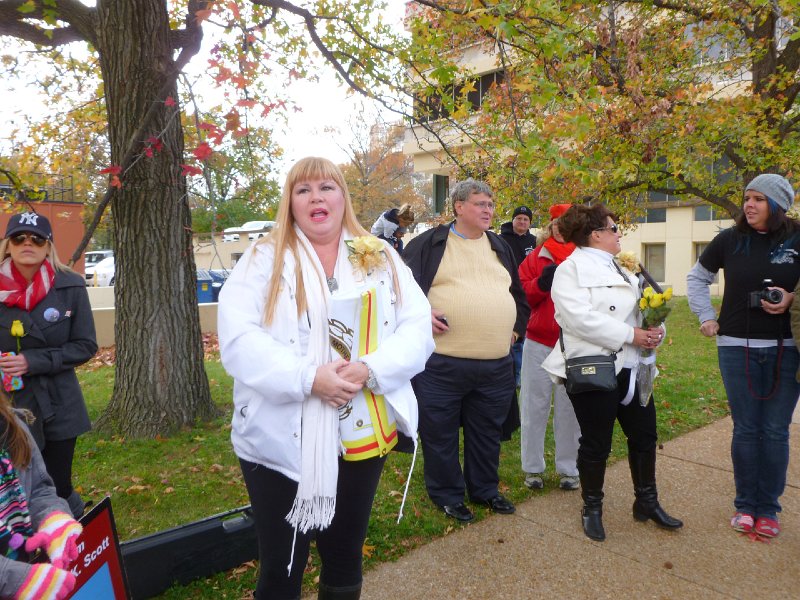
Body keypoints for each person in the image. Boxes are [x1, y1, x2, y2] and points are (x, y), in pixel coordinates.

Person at [218, 157, 433, 600]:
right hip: (279, 437)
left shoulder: (380, 254)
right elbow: (239, 339)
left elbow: (417, 324)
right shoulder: (264, 257)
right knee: (283, 564)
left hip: (361, 429)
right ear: (291, 203)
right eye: (303, 190)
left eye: (327, 187)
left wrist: (372, 368)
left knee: (345, 554)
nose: (316, 197)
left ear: (342, 197)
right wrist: (307, 377)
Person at [542, 204, 682, 542]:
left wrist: (653, 329)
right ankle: (592, 507)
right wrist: (632, 335)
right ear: (596, 234)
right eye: (613, 227)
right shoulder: (570, 269)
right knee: (596, 443)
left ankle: (646, 501)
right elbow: (577, 318)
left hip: (634, 366)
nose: (619, 233)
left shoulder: (623, 267)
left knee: (645, 435)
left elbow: (640, 308)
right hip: (595, 366)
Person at [404, 179, 530, 522]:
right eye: (479, 204)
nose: (488, 210)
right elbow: (396, 293)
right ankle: (447, 495)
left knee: (487, 432)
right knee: (440, 433)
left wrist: (515, 331)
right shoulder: (428, 244)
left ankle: (485, 490)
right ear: (458, 207)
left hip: (495, 365)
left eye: (490, 204)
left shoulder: (500, 246)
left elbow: (518, 296)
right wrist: (419, 316)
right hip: (442, 363)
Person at [688, 174, 799, 539]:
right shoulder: (730, 240)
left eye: (759, 199)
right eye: (747, 198)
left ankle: (768, 509)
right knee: (747, 429)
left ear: (778, 205)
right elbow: (697, 278)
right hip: (736, 347)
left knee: (775, 431)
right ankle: (744, 506)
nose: (749, 205)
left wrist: (792, 299)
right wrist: (706, 316)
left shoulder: (798, 236)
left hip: (788, 349)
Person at [0, 212, 97, 520]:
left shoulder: (70, 285)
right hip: (10, 405)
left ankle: (71, 538)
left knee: (59, 485)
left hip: (59, 401)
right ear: (8, 245)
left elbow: (85, 345)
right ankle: (28, 553)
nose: (27, 243)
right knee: (18, 488)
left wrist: (33, 361)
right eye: (19, 238)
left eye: (37, 239)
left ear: (48, 247)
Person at [518, 203, 581, 491]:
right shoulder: (535, 258)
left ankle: (569, 468)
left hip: (574, 344)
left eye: (564, 221)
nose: (558, 226)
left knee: (570, 408)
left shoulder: (586, 258)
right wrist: (541, 285)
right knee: (534, 405)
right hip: (539, 342)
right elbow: (521, 296)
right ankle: (532, 468)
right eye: (555, 221)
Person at [0, 391, 83, 600]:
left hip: (24, 564)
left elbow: (38, 488)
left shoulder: (11, 425)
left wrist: (53, 519)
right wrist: (15, 580)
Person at [500, 205, 537, 386]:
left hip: (529, 293)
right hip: (508, 292)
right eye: (519, 218)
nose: (522, 222)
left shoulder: (535, 242)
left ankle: (522, 377)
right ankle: (510, 376)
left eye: (526, 219)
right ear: (513, 220)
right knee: (512, 334)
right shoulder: (501, 240)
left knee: (525, 335)